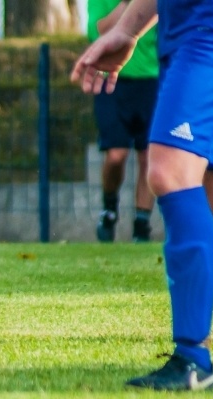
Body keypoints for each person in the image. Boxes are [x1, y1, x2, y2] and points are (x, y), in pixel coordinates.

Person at [71, 0, 213, 390]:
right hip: (201, 32)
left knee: (169, 172)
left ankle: (192, 359)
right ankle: (192, 358)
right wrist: (128, 30)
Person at [88, 0, 158, 242]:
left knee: (148, 155)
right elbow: (100, 30)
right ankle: (109, 209)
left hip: (151, 81)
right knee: (116, 154)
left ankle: (142, 223)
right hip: (111, 81)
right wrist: (129, 5)